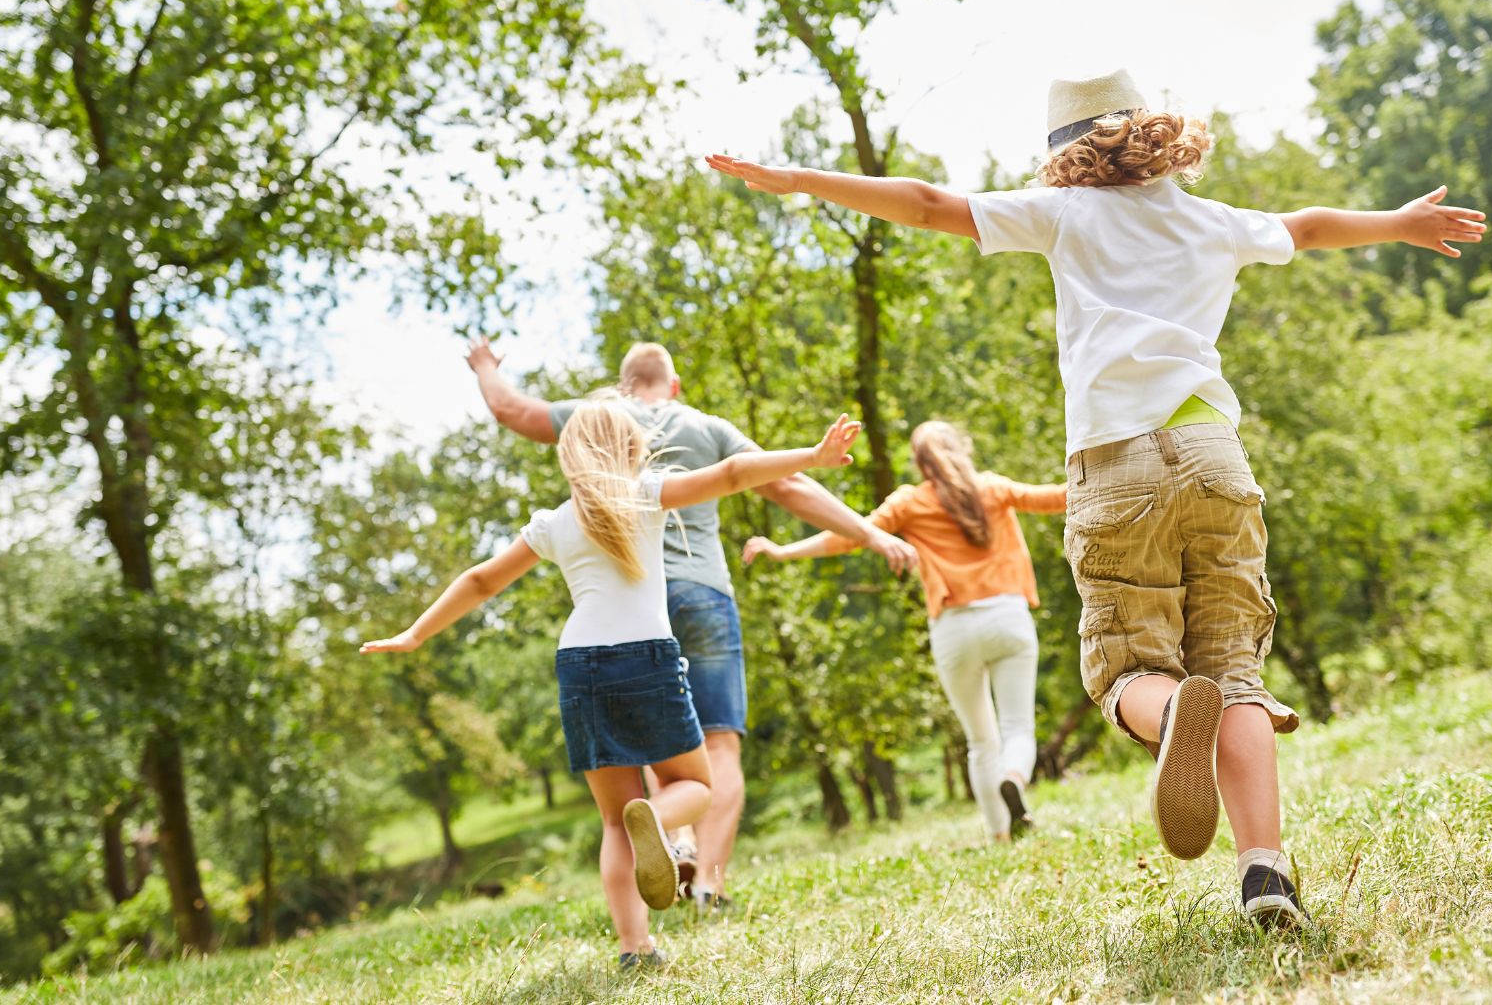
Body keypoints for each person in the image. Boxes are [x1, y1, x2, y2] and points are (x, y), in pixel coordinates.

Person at [704, 68, 1487, 928]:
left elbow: (927, 204)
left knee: (1125, 667)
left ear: (1065, 154)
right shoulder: (1210, 219)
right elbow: (1305, 226)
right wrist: (1400, 222)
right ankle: (1265, 875)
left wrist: (800, 179)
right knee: (1234, 672)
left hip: (1116, 464)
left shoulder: (1065, 214)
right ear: (1150, 132)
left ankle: (1170, 712)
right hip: (1214, 456)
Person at [361, 401, 865, 966]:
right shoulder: (646, 494)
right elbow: (730, 474)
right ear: (631, 449)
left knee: (612, 820)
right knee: (695, 786)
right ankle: (658, 818)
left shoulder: (553, 522)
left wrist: (415, 633)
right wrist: (812, 456)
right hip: (646, 657)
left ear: (569, 456)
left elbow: (481, 581)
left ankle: (634, 947)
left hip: (579, 665)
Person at [465, 338, 916, 911]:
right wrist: (870, 533)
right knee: (717, 745)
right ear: (674, 385)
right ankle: (709, 884)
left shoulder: (595, 418)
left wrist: (485, 366)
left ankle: (674, 841)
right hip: (703, 594)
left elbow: (511, 410)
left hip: (628, 608)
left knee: (661, 743)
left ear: (624, 385)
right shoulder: (706, 426)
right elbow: (783, 484)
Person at [741, 420, 1068, 841]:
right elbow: (1059, 497)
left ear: (919, 463)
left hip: (954, 629)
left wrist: (784, 551)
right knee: (1017, 728)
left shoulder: (910, 502)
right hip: (1008, 617)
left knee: (980, 740)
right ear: (961, 449)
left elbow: (851, 535)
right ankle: (1014, 778)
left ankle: (999, 835)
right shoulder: (993, 488)